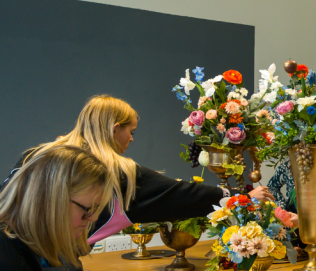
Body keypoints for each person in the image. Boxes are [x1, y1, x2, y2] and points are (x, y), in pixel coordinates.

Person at [4, 95, 269, 243]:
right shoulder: (117, 172)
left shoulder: (35, 155)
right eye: (130, 131)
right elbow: (182, 194)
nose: (132, 139)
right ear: (113, 129)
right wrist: (242, 197)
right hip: (48, 269)